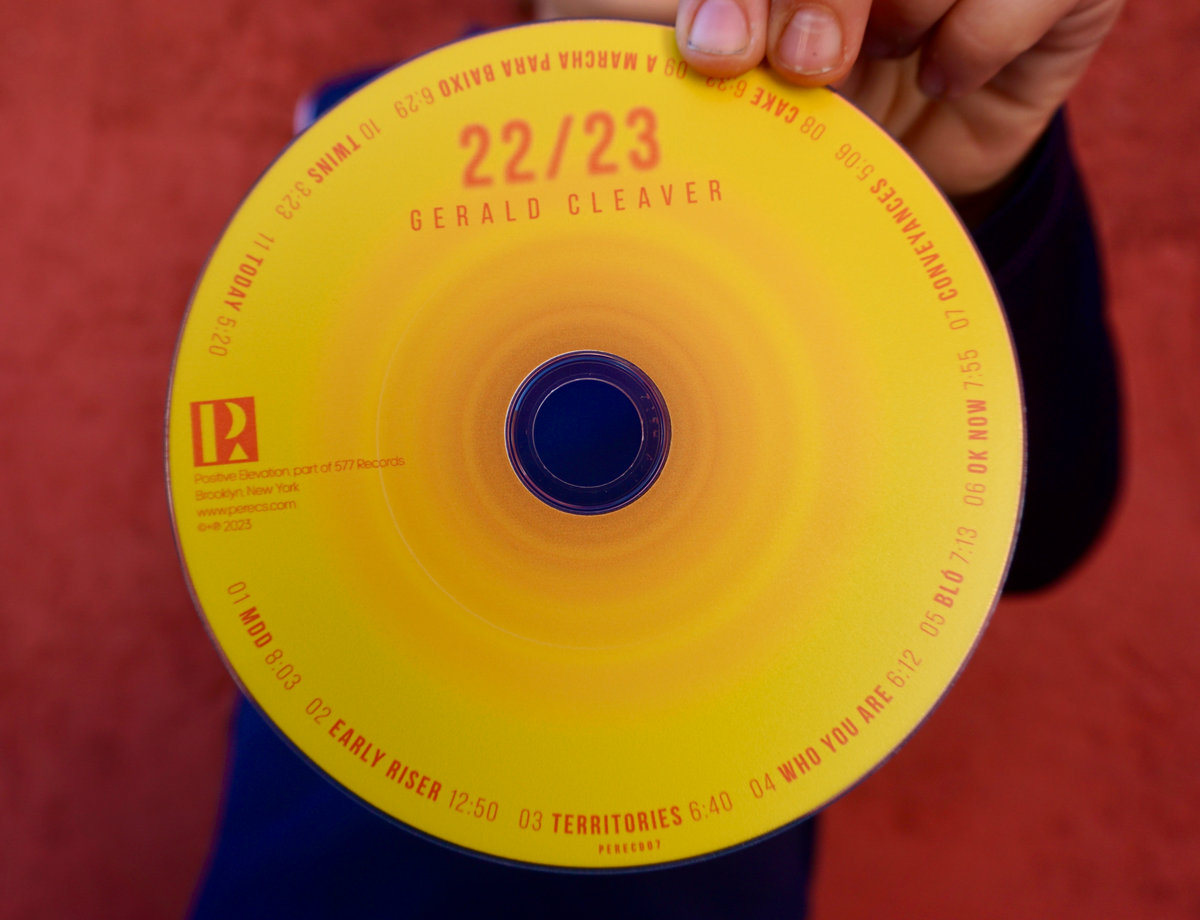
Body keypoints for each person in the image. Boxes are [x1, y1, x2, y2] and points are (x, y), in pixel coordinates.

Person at [190, 2, 1123, 915]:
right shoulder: (363, 149)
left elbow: (1034, 527)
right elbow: (262, 488)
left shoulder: (830, 173)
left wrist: (958, 196)